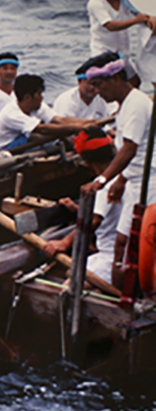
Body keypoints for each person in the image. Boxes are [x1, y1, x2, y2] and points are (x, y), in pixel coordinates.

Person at [80, 52, 156, 289]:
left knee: (142, 245)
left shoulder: (136, 103)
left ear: (115, 79)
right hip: (134, 181)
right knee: (122, 245)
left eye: (99, 85)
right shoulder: (124, 105)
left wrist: (101, 180)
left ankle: (141, 295)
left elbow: (130, 149)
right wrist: (121, 180)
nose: (96, 91)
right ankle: (119, 296)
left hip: (150, 182)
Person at [43, 128, 122, 284]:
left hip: (112, 257)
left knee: (68, 284)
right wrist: (77, 209)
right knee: (69, 271)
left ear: (86, 160)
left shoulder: (104, 186)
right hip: (128, 254)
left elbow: (94, 221)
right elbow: (110, 213)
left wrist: (64, 243)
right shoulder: (123, 178)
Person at [0, 74, 93, 156]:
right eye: (39, 94)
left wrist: (86, 122)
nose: (42, 98)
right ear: (28, 97)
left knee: (51, 136)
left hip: (23, 143)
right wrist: (78, 128)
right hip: (3, 151)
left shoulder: (37, 106)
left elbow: (58, 120)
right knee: (39, 136)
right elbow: (42, 128)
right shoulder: (11, 113)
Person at [87, 0, 148, 87]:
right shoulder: (96, 3)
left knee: (135, 82)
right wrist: (135, 20)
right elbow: (110, 26)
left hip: (122, 53)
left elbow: (140, 12)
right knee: (108, 86)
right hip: (103, 52)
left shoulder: (125, 2)